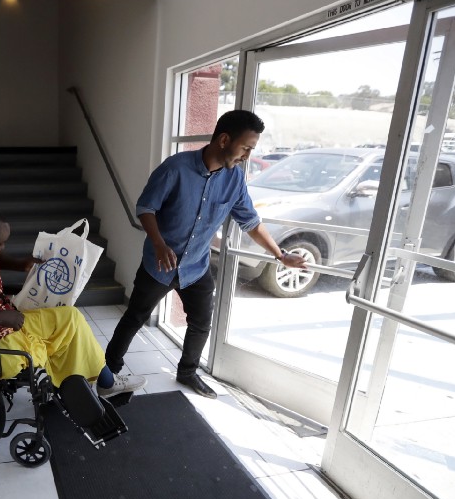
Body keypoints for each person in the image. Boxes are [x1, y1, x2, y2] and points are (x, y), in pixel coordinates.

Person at [105, 110, 307, 399]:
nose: (248, 156)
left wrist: (280, 255)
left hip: (196, 267)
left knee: (201, 323)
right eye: (246, 147)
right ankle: (108, 372)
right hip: (160, 264)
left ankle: (187, 373)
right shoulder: (175, 168)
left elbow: (250, 222)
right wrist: (159, 244)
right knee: (135, 317)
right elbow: (146, 208)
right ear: (224, 140)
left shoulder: (235, 179)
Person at [0, 207, 146, 397]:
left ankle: (106, 383)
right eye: (1, 244)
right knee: (42, 346)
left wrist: (20, 265)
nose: (2, 249)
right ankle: (64, 384)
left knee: (71, 318)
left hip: (7, 320)